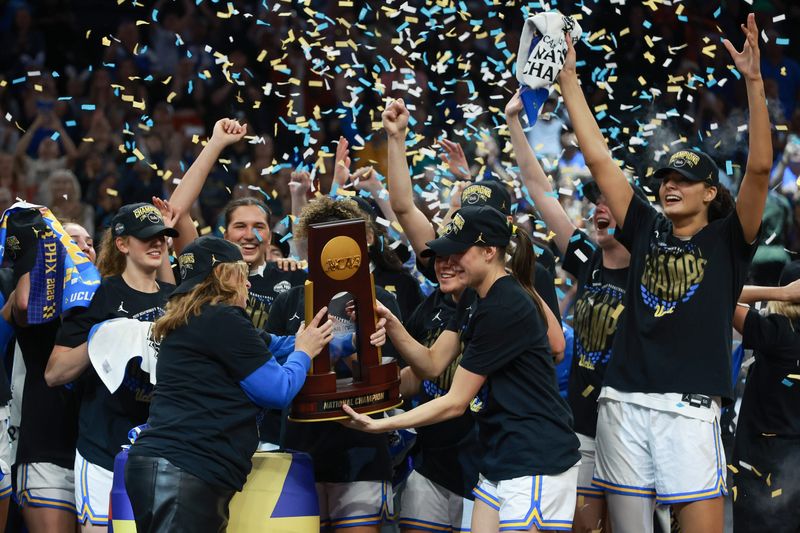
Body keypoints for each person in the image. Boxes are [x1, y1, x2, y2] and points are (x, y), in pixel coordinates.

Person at [558, 15, 771, 532]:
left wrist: (755, 82)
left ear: (710, 192)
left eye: (685, 179)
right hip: (624, 404)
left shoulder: (728, 240)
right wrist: (568, 77)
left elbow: (760, 170)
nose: (670, 186)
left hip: (691, 412)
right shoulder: (644, 226)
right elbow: (597, 157)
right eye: (665, 178)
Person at [345, 205, 579, 533]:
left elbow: (456, 402)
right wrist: (393, 323)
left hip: (535, 458)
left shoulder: (505, 305)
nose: (450, 261)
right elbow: (431, 364)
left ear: (489, 251)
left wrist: (381, 425)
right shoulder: (474, 297)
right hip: (501, 454)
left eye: (459, 250)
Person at [124, 236, 334, 533]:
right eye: (243, 275)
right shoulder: (223, 319)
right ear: (225, 276)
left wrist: (347, 339)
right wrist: (304, 353)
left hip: (173, 468)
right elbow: (278, 390)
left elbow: (279, 345)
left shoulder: (201, 319)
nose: (248, 284)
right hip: (184, 469)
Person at [505, 88, 636, 532]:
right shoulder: (587, 258)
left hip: (633, 425)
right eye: (594, 199)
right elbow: (541, 192)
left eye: (609, 199)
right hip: (582, 425)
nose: (600, 205)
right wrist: (514, 126)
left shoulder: (651, 270)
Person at [266, 196, 404, 532]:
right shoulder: (289, 301)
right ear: (309, 247)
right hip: (300, 447)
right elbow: (274, 368)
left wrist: (352, 347)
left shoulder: (380, 302)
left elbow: (391, 373)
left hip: (362, 449)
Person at [45, 202, 178, 532]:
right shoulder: (98, 295)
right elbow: (55, 372)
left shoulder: (178, 300)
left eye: (162, 236)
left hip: (162, 453)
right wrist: (102, 340)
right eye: (147, 237)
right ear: (122, 244)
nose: (157, 243)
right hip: (103, 450)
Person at [8, 218, 95, 533]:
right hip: (47, 453)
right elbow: (21, 303)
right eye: (73, 241)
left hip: (95, 459)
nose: (83, 247)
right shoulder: (41, 308)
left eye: (88, 242)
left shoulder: (106, 305)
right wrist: (44, 247)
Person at [731, 261, 800, 532]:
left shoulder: (775, 332)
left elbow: (720, 293)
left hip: (760, 464)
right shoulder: (775, 331)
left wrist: (779, 293)